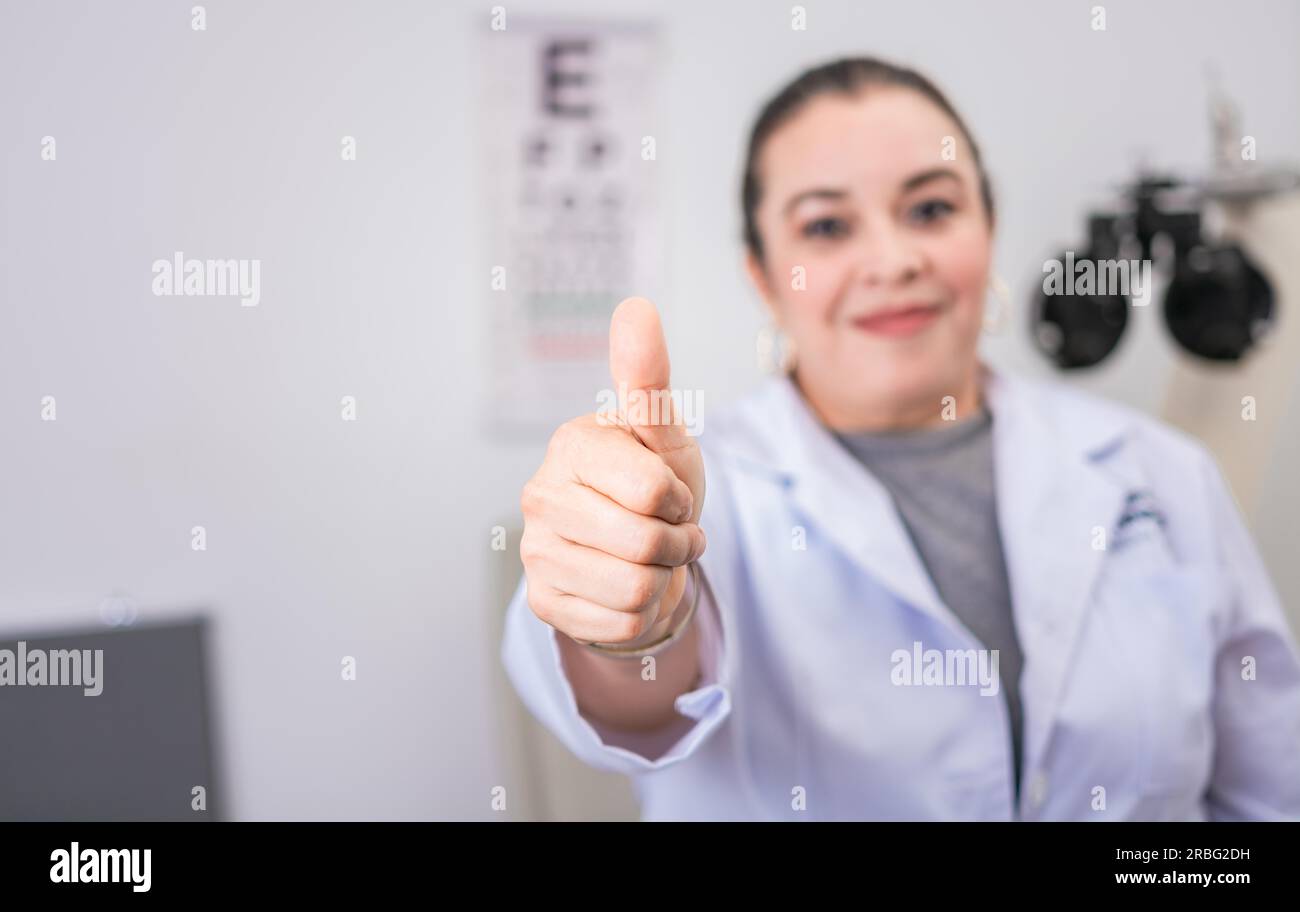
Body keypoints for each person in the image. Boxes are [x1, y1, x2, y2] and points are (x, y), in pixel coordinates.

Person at [500, 57, 1300, 820]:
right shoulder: (690, 493)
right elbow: (635, 702)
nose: (892, 258)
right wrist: (633, 620)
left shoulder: (1160, 472)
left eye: (931, 209)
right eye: (826, 225)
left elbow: (1269, 797)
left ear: (988, 226)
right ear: (764, 277)